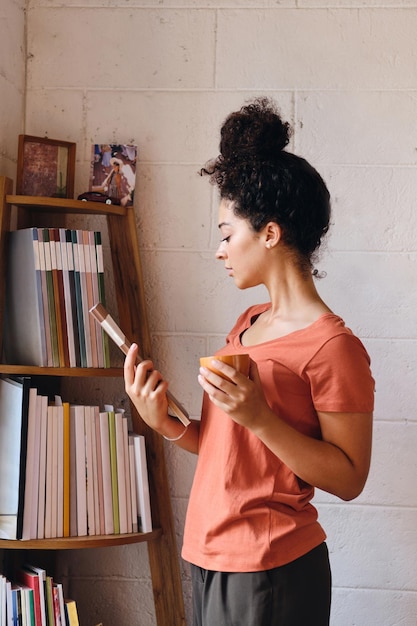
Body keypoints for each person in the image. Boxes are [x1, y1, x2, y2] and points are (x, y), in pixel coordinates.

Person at [124, 97, 375, 626]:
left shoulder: (335, 349)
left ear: (269, 233)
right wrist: (165, 423)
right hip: (208, 553)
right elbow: (230, 449)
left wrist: (261, 416)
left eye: (225, 233)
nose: (219, 250)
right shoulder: (247, 322)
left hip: (273, 566)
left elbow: (350, 478)